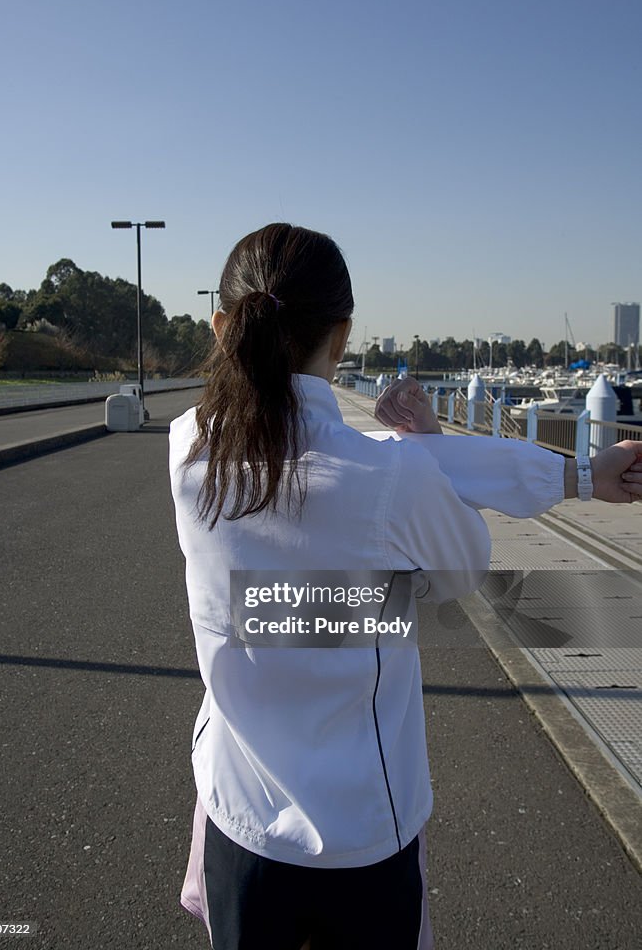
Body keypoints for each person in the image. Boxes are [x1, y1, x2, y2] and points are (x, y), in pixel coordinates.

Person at [169, 223, 642, 950]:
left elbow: (355, 488)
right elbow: (458, 568)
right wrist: (571, 475)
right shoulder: (392, 478)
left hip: (239, 820)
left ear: (221, 326)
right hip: (363, 831)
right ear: (343, 335)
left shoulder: (186, 446)